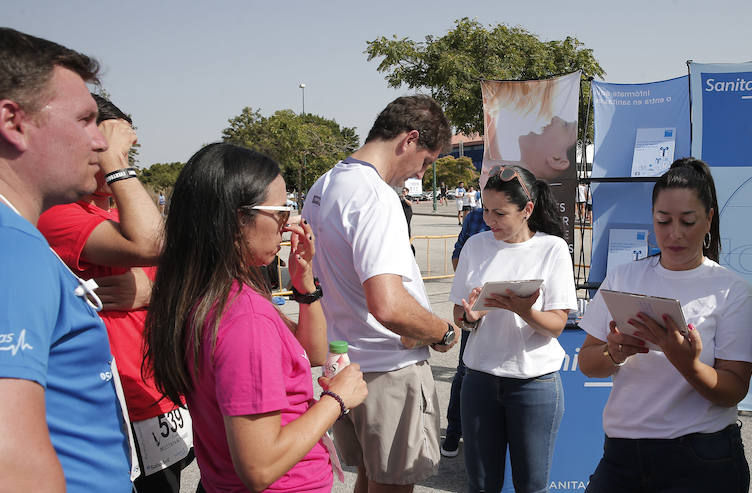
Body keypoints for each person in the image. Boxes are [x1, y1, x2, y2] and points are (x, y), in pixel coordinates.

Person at [145, 143, 368, 493]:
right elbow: (260, 466)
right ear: (237, 220)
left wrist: (304, 283)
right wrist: (337, 400)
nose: (289, 224)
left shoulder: (207, 292)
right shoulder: (244, 316)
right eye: (280, 212)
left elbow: (311, 352)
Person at [303, 95, 459, 493]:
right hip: (388, 367)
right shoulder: (376, 196)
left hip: (347, 365)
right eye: (426, 162)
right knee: (390, 484)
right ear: (409, 139)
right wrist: (442, 332)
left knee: (371, 480)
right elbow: (388, 305)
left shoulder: (325, 184)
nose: (418, 175)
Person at [37, 94, 193, 492]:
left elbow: (178, 278)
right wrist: (115, 163)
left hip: (158, 393)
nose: (124, 160)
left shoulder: (115, 213)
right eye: (116, 149)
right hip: (120, 404)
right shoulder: (58, 212)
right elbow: (152, 245)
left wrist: (148, 289)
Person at [578, 157, 752, 493]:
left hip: (699, 458)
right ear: (652, 219)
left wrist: (687, 365)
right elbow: (587, 362)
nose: (674, 234)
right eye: (663, 221)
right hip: (622, 455)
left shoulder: (730, 290)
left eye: (687, 221)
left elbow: (734, 389)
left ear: (708, 220)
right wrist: (614, 351)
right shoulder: (624, 277)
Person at [0, 28, 132, 492]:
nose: (100, 142)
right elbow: (10, 465)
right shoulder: (10, 248)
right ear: (13, 121)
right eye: (85, 120)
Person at [451, 164, 577, 492]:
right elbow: (458, 313)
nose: (489, 220)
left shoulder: (552, 249)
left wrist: (525, 311)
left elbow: (557, 325)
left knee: (531, 486)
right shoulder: (475, 246)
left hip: (533, 386)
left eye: (500, 213)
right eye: (485, 210)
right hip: (478, 382)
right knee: (480, 485)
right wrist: (470, 317)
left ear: (527, 210)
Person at [442, 206, 491, 458]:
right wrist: (471, 280)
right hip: (474, 306)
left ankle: (480, 434)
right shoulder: (474, 217)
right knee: (464, 372)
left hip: (510, 315)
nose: (493, 218)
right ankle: (454, 431)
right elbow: (456, 257)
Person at [480, 75, 579, 189]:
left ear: (558, 160)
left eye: (565, 126)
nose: (555, 118)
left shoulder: (511, 177)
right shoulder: (504, 168)